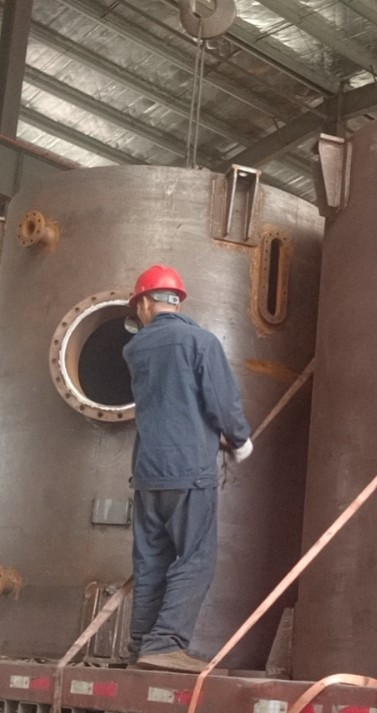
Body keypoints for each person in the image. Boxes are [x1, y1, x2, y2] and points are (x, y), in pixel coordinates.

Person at [123, 264, 252, 673]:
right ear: (176, 302)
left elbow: (171, 402)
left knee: (151, 560)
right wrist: (239, 440)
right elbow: (221, 401)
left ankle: (142, 643)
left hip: (148, 474)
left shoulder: (135, 349)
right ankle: (165, 644)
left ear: (146, 302)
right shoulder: (201, 342)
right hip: (189, 472)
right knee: (196, 558)